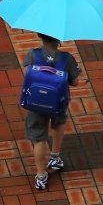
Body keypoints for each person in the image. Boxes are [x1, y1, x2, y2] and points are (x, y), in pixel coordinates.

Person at [22, 33, 81, 190]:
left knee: (39, 138)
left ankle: (41, 176)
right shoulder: (67, 58)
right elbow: (75, 82)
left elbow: (28, 75)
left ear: (40, 36)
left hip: (36, 102)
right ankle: (55, 157)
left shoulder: (33, 54)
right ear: (59, 40)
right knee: (58, 123)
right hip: (58, 102)